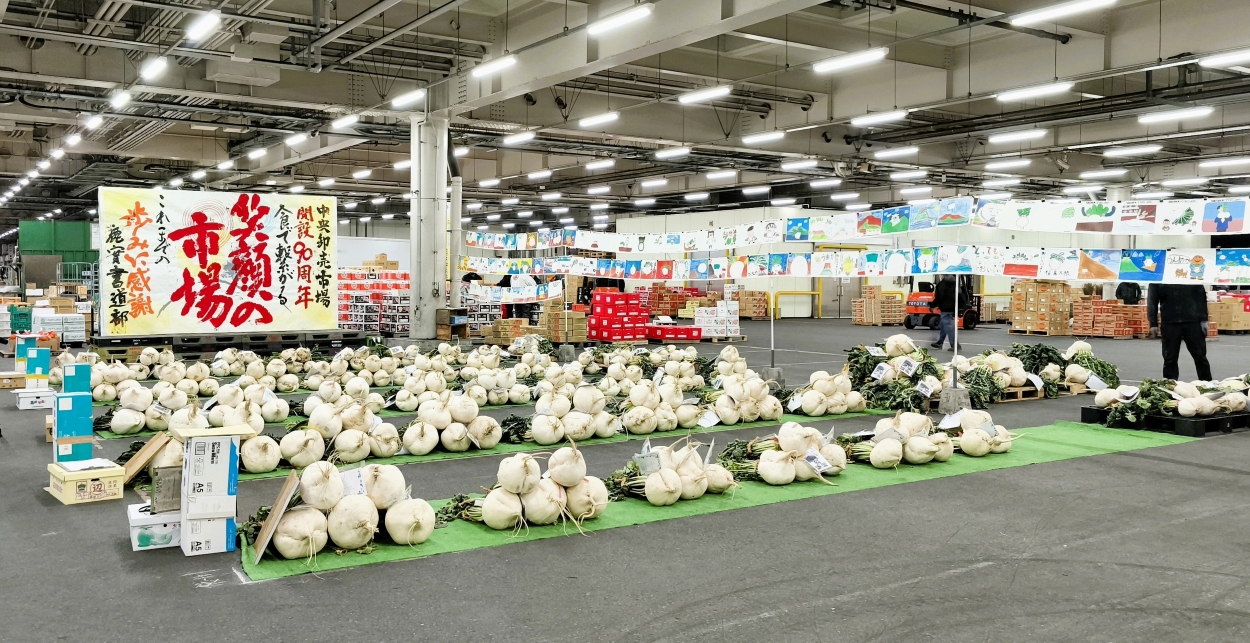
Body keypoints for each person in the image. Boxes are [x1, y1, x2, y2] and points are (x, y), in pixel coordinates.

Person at [1147, 283, 1212, 381]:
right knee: (1170, 359)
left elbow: (1201, 295)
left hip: (1193, 321)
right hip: (1170, 323)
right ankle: (1170, 386)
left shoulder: (1188, 273)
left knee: (1200, 357)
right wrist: (1153, 323)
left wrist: (1204, 319)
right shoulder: (1160, 277)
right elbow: (1152, 300)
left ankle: (1208, 384)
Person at [928, 275, 961, 351]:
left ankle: (955, 345)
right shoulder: (955, 283)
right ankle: (940, 342)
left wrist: (932, 305)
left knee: (949, 327)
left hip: (946, 308)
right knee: (943, 326)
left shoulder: (942, 285)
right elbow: (960, 296)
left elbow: (940, 297)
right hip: (953, 308)